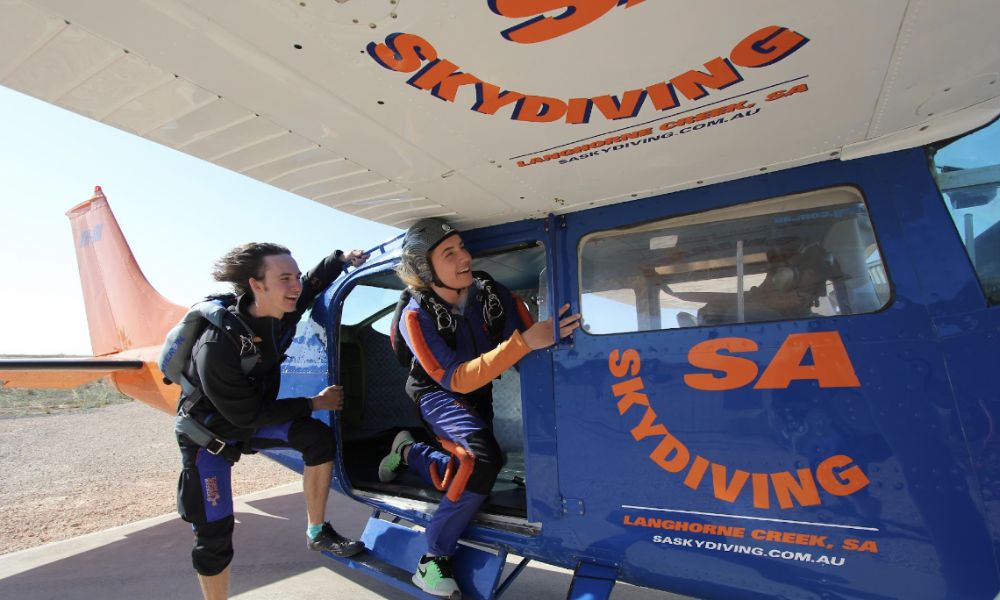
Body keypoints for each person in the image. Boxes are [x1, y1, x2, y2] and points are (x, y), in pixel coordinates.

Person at [377, 218, 581, 599]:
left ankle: (407, 451)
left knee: (473, 475)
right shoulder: (415, 315)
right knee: (481, 460)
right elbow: (454, 378)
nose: (464, 258)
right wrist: (522, 344)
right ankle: (433, 558)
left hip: (478, 390)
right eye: (449, 253)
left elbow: (536, 346)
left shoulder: (492, 295)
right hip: (437, 392)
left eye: (462, 248)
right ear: (425, 267)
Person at [176, 242, 368, 600]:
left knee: (317, 440)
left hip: (250, 417)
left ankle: (316, 530)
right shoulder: (217, 343)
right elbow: (246, 415)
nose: (294, 285)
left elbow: (310, 286)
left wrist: (339, 261)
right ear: (257, 285)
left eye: (294, 276)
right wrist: (313, 402)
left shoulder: (279, 316)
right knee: (214, 535)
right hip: (211, 436)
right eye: (284, 278)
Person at [698, 239, 841, 325]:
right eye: (813, 284)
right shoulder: (721, 311)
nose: (821, 293)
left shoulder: (814, 322)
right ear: (784, 276)